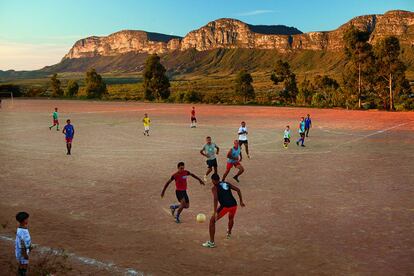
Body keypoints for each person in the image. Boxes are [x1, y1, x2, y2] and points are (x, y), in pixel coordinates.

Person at [202, 173, 245, 248]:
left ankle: (211, 242)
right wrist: (241, 201)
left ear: (213, 180)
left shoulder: (214, 188)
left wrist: (215, 212)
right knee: (231, 218)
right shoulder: (226, 183)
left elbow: (215, 199)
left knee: (212, 221)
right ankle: (229, 233)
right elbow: (238, 190)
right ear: (219, 179)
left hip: (226, 206)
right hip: (234, 205)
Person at [15, 211, 32, 276]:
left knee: (21, 265)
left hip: (22, 251)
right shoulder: (21, 231)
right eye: (27, 219)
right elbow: (22, 244)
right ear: (24, 220)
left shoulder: (23, 228)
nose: (28, 220)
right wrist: (25, 254)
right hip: (22, 252)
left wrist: (29, 246)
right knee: (24, 266)